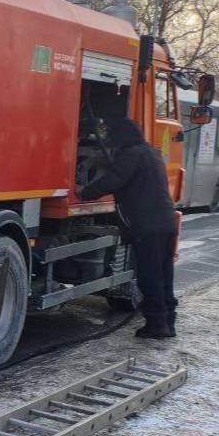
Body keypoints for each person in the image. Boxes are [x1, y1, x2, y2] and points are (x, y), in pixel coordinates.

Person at [79, 117, 179, 339]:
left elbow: (113, 181)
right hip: (166, 222)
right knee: (164, 275)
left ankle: (157, 325)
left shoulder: (132, 155)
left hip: (148, 225)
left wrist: (84, 192)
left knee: (150, 277)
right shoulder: (151, 153)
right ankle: (168, 322)